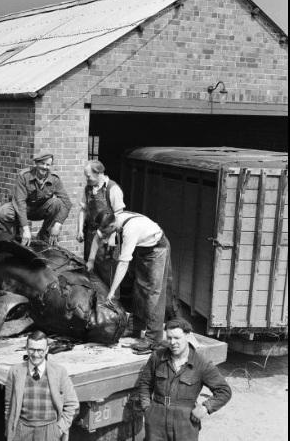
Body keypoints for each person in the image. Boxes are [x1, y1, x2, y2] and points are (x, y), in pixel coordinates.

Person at [86, 210, 176, 352]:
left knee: (154, 293)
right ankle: (136, 326)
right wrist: (90, 261)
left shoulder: (130, 230)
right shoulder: (111, 220)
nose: (103, 235)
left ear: (112, 224)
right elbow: (98, 237)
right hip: (144, 249)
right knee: (140, 288)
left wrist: (112, 291)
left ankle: (153, 339)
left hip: (158, 248)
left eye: (105, 231)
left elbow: (123, 264)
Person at [138, 318, 231, 441]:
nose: (172, 342)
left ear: (187, 336)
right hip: (157, 421)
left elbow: (224, 391)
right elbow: (145, 383)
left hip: (185, 424)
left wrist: (205, 407)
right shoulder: (157, 357)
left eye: (177, 338)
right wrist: (147, 408)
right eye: (169, 338)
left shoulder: (201, 363)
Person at [4, 331, 78, 441]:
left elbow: (72, 404)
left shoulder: (59, 372)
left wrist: (59, 429)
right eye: (32, 349)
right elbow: (8, 406)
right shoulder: (15, 371)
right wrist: (11, 429)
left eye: (40, 350)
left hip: (49, 431)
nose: (35, 354)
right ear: (26, 348)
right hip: (21, 429)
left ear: (47, 349)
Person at [0, 151, 72, 246]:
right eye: (42, 163)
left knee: (57, 202)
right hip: (24, 209)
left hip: (40, 209)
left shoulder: (54, 179)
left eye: (48, 165)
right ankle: (16, 231)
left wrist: (57, 225)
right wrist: (25, 228)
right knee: (2, 212)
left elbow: (67, 203)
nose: (44, 167)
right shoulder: (25, 176)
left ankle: (44, 233)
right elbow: (20, 203)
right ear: (36, 163)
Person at [76, 160, 125, 261]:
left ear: (98, 173)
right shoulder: (88, 189)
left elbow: (119, 215)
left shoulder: (113, 189)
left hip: (107, 236)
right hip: (91, 235)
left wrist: (113, 237)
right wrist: (80, 230)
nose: (87, 179)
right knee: (90, 267)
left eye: (88, 176)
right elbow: (83, 210)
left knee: (105, 270)